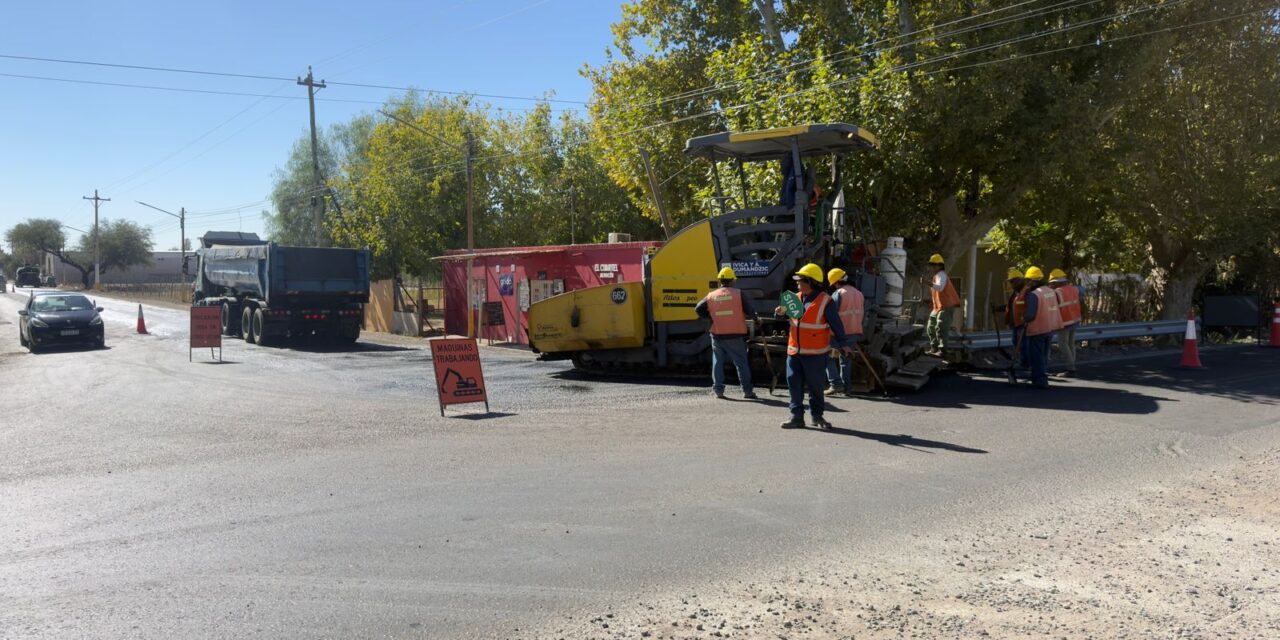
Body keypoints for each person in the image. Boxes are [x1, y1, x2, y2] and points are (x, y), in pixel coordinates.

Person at [774, 263, 851, 429]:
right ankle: (796, 417)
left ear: (810, 281)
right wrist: (779, 312)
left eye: (801, 280)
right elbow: (784, 318)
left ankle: (817, 417)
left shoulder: (825, 302)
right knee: (794, 385)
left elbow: (836, 324)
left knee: (815, 387)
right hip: (794, 352)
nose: (797, 283)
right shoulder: (794, 298)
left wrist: (844, 344)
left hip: (815, 354)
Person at [695, 267, 758, 400]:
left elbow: (698, 308)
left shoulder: (712, 295)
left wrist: (710, 316)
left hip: (717, 334)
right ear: (732, 281)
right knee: (741, 362)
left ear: (720, 281)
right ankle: (747, 391)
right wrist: (758, 320)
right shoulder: (738, 294)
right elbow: (751, 311)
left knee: (718, 362)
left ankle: (718, 390)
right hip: (734, 334)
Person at [1021, 266, 1063, 389]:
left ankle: (1039, 380)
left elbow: (1030, 314)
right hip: (1050, 327)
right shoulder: (1050, 291)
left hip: (1038, 328)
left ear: (1033, 281)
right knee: (1043, 354)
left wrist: (1024, 318)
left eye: (1028, 281)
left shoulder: (1035, 294)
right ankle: (1041, 377)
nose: (1027, 284)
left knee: (1037, 355)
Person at [825, 267, 864, 396]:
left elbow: (832, 315)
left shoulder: (838, 294)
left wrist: (829, 331)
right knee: (846, 360)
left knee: (826, 356)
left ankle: (835, 384)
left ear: (836, 282)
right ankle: (847, 388)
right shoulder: (859, 293)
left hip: (839, 333)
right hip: (854, 331)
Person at [925, 254, 961, 356]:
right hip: (938, 307)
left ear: (940, 266)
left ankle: (942, 350)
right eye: (931, 265)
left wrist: (928, 283)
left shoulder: (941, 275)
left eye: (934, 265)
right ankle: (934, 348)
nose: (932, 267)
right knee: (931, 327)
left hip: (945, 306)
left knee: (941, 328)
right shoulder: (936, 276)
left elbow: (940, 288)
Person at [1050, 269, 1083, 376]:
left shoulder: (1057, 292)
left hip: (1065, 321)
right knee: (1070, 343)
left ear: (1056, 282)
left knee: (1063, 344)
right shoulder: (1074, 289)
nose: (1051, 285)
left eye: (1052, 283)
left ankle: (1070, 368)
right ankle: (1072, 365)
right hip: (1075, 320)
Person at [1001, 268, 1029, 374]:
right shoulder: (1015, 293)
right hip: (1015, 324)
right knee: (1016, 342)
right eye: (1010, 282)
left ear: (1020, 280)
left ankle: (1024, 363)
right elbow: (1011, 307)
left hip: (1022, 324)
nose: (1011, 284)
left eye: (1013, 281)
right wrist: (999, 308)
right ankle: (1021, 362)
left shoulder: (1026, 292)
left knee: (1023, 345)